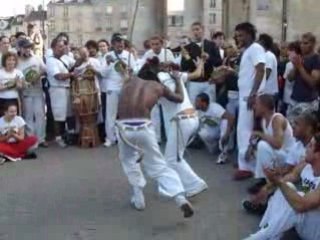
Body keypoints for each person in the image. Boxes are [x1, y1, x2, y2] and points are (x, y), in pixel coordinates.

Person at [116, 66, 194, 218]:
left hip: (123, 127)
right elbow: (180, 98)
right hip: (144, 127)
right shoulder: (158, 86)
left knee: (129, 161)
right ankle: (179, 198)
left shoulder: (129, 82)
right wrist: (178, 80)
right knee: (159, 166)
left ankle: (138, 198)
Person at [139, 56, 208, 198]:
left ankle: (195, 184)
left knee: (172, 159)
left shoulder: (157, 86)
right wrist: (200, 63)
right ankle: (175, 187)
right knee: (173, 157)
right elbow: (197, 74)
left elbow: (179, 98)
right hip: (189, 118)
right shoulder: (171, 74)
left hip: (181, 120)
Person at [244, 134, 320, 240]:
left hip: (315, 231)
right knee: (287, 187)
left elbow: (301, 205)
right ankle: (266, 230)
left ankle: (261, 236)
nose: (306, 148)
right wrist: (266, 188)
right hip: (304, 221)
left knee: (296, 200)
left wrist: (278, 181)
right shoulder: (306, 165)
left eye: (311, 146)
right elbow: (290, 177)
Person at [243, 111, 318, 215]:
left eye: (297, 124)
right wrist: (275, 176)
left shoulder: (316, 146)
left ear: (309, 128)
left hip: (311, 188)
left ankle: (267, 205)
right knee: (282, 183)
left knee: (286, 187)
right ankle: (266, 200)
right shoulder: (296, 146)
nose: (293, 126)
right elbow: (289, 170)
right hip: (299, 182)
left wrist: (274, 184)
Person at [233, 22, 266, 180]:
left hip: (250, 96)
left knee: (245, 130)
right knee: (243, 130)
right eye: (237, 35)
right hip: (244, 95)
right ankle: (245, 162)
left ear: (249, 34)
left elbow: (260, 69)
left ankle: (247, 167)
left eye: (241, 35)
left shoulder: (256, 48)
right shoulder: (247, 50)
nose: (238, 38)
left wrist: (253, 94)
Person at [248, 94, 294, 190]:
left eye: (256, 104)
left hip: (289, 157)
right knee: (257, 149)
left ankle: (271, 183)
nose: (254, 107)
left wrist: (260, 134)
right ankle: (264, 180)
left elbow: (277, 144)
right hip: (280, 154)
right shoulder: (264, 121)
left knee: (262, 146)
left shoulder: (277, 119)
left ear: (263, 106)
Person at [102, 34, 137, 147]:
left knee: (126, 114)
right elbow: (103, 73)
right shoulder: (108, 55)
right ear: (113, 44)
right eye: (117, 42)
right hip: (112, 88)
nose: (120, 44)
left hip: (126, 87)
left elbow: (135, 70)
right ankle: (110, 138)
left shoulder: (129, 55)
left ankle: (126, 138)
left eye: (121, 42)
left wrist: (131, 70)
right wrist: (107, 64)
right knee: (111, 114)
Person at [140, 35, 176, 143]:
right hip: (153, 86)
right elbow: (141, 69)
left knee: (167, 112)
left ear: (162, 44)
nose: (155, 46)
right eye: (153, 44)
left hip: (166, 85)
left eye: (157, 44)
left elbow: (175, 67)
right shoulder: (148, 54)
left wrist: (170, 64)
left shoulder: (167, 53)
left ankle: (170, 137)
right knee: (154, 113)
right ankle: (157, 137)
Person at [179, 22, 222, 104]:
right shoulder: (187, 48)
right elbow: (183, 67)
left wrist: (209, 57)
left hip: (209, 81)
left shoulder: (211, 45)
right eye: (193, 30)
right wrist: (189, 60)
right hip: (194, 83)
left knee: (211, 105)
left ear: (203, 30)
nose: (195, 32)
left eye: (197, 29)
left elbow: (219, 62)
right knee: (194, 105)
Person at [17, 39, 47, 147]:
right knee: (28, 116)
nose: (27, 50)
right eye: (25, 48)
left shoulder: (36, 58)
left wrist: (38, 75)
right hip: (25, 93)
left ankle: (41, 139)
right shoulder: (17, 62)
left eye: (29, 47)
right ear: (20, 49)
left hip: (38, 90)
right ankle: (31, 139)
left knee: (40, 115)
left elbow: (44, 70)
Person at [46, 39, 75, 147]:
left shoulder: (66, 58)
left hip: (67, 88)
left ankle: (71, 135)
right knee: (59, 115)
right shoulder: (50, 61)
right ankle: (58, 138)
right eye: (59, 46)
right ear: (53, 48)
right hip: (57, 89)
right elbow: (58, 76)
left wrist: (83, 56)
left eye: (63, 46)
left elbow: (76, 63)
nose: (62, 48)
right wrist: (71, 74)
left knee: (70, 113)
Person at [287, 33, 320, 122]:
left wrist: (300, 67)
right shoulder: (300, 57)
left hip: (308, 102)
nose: (302, 46)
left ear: (313, 44)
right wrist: (295, 67)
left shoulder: (316, 59)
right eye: (301, 43)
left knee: (303, 131)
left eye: (306, 43)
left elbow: (313, 83)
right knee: (291, 128)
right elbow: (290, 78)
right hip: (294, 99)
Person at [195, 93, 235, 164]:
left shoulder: (215, 108)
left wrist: (226, 134)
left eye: (198, 101)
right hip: (213, 130)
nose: (195, 103)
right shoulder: (198, 111)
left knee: (225, 121)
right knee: (202, 133)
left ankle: (223, 154)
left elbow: (231, 118)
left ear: (204, 103)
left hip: (222, 128)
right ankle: (216, 147)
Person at [0, 52, 25, 116]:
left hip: (14, 100)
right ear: (4, 61)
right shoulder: (1, 72)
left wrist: (5, 86)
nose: (11, 62)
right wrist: (13, 83)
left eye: (13, 60)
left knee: (14, 121)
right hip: (2, 100)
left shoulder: (18, 72)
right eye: (9, 60)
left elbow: (21, 87)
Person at [282, 41, 301, 116]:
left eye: (290, 50)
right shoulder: (289, 64)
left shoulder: (289, 65)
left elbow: (289, 80)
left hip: (289, 98)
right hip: (291, 97)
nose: (288, 52)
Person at [258, 34, 278, 98]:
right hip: (264, 92)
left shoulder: (269, 56)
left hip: (268, 92)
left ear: (262, 42)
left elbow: (266, 74)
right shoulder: (264, 55)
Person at [97, 39, 110, 140]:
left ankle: (110, 134)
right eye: (100, 46)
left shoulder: (110, 57)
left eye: (104, 46)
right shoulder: (99, 58)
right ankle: (106, 132)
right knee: (105, 111)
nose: (102, 48)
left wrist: (96, 71)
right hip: (102, 88)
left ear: (108, 46)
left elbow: (103, 73)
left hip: (110, 87)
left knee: (110, 112)